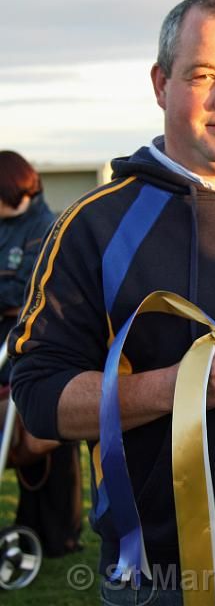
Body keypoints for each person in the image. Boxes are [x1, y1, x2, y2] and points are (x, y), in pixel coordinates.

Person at [8, 0, 215, 605]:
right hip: (156, 576)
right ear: (161, 83)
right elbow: (38, 399)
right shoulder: (94, 225)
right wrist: (180, 388)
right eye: (204, 75)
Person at [0, 150, 82, 557]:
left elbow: (28, 292)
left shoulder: (47, 228)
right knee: (21, 447)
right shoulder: (6, 228)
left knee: (50, 443)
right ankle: (31, 526)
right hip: (7, 346)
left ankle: (61, 534)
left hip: (35, 347)